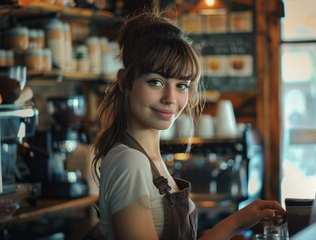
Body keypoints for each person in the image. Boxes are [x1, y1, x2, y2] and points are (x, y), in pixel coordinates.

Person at [92, 9, 286, 240]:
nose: (170, 98)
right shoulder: (130, 161)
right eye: (156, 82)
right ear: (125, 81)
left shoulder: (149, 160)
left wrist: (238, 221)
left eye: (182, 85)